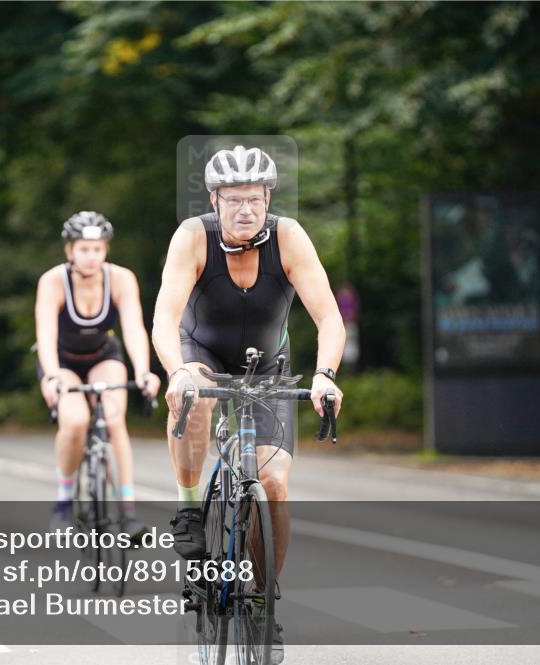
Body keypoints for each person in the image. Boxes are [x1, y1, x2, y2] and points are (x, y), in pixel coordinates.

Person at [152, 145, 345, 660]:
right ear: (215, 200)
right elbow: (165, 317)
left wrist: (326, 376)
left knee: (274, 482)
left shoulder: (289, 237)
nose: (245, 209)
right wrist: (175, 372)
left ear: (268, 199)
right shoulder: (193, 237)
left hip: (267, 365)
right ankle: (190, 509)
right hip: (202, 353)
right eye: (234, 199)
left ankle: (262, 601)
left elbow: (328, 318)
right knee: (194, 396)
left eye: (254, 199)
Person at [34, 211, 161, 543]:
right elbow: (45, 333)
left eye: (97, 249)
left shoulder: (120, 279)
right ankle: (63, 501)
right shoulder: (53, 281)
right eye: (84, 249)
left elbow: (133, 328)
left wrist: (143, 371)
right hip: (62, 361)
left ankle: (129, 514)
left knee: (115, 418)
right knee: (75, 421)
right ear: (70, 251)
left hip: (103, 356)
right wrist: (50, 377)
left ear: (106, 250)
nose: (91, 256)